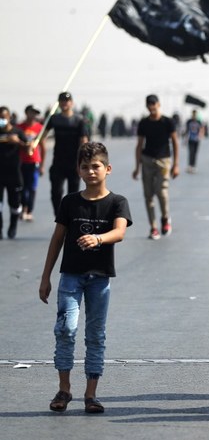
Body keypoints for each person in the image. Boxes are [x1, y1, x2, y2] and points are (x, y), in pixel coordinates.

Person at [38, 142, 132, 414]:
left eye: (96, 166)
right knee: (65, 330)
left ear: (107, 169)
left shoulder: (117, 202)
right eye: (85, 167)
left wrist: (98, 238)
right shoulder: (70, 202)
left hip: (100, 280)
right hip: (70, 277)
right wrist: (45, 277)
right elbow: (57, 240)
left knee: (95, 335)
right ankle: (64, 389)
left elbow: (120, 232)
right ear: (78, 170)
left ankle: (91, 394)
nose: (91, 171)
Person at [132, 94, 179, 240]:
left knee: (161, 191)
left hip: (164, 160)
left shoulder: (167, 122)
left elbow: (175, 142)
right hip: (147, 160)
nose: (151, 107)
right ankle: (153, 227)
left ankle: (165, 218)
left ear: (159, 104)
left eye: (153, 104)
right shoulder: (144, 123)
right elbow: (139, 145)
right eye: (149, 104)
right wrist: (137, 167)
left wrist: (176, 165)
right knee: (148, 195)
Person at [45, 92, 88, 216]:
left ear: (72, 103)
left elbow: (84, 141)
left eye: (67, 101)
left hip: (74, 162)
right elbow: (42, 136)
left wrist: (81, 162)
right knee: (56, 192)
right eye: (62, 101)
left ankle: (70, 219)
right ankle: (59, 216)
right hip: (58, 162)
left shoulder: (79, 120)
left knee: (72, 194)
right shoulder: (54, 119)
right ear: (59, 103)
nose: (65, 103)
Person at [0, 106, 28, 239]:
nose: (1, 120)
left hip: (14, 174)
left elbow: (29, 150)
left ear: (9, 117)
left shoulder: (18, 131)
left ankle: (13, 225)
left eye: (3, 117)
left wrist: (19, 142)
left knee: (14, 203)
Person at [18, 105, 46, 222]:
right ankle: (23, 209)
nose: (33, 115)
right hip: (21, 161)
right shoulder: (19, 127)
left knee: (32, 188)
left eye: (35, 113)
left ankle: (29, 211)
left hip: (34, 161)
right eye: (31, 112)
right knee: (22, 187)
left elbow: (43, 147)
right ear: (26, 113)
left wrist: (42, 165)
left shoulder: (39, 128)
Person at [183, 109, 204, 173]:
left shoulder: (198, 121)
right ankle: (190, 166)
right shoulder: (189, 121)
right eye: (193, 114)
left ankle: (194, 166)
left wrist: (200, 136)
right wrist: (185, 139)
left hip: (196, 140)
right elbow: (187, 130)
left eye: (195, 114)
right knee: (191, 152)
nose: (194, 115)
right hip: (190, 139)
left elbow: (201, 129)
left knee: (195, 153)